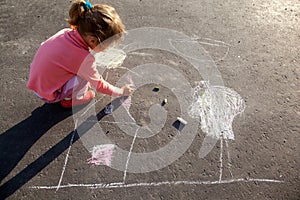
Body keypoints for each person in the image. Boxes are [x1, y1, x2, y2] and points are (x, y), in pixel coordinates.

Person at [27, 0, 134, 108]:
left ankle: (64, 90)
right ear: (93, 40)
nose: (107, 49)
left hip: (36, 83)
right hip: (48, 95)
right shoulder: (84, 59)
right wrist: (120, 92)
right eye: (107, 45)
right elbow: (99, 84)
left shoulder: (65, 32)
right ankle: (70, 100)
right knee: (85, 76)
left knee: (81, 69)